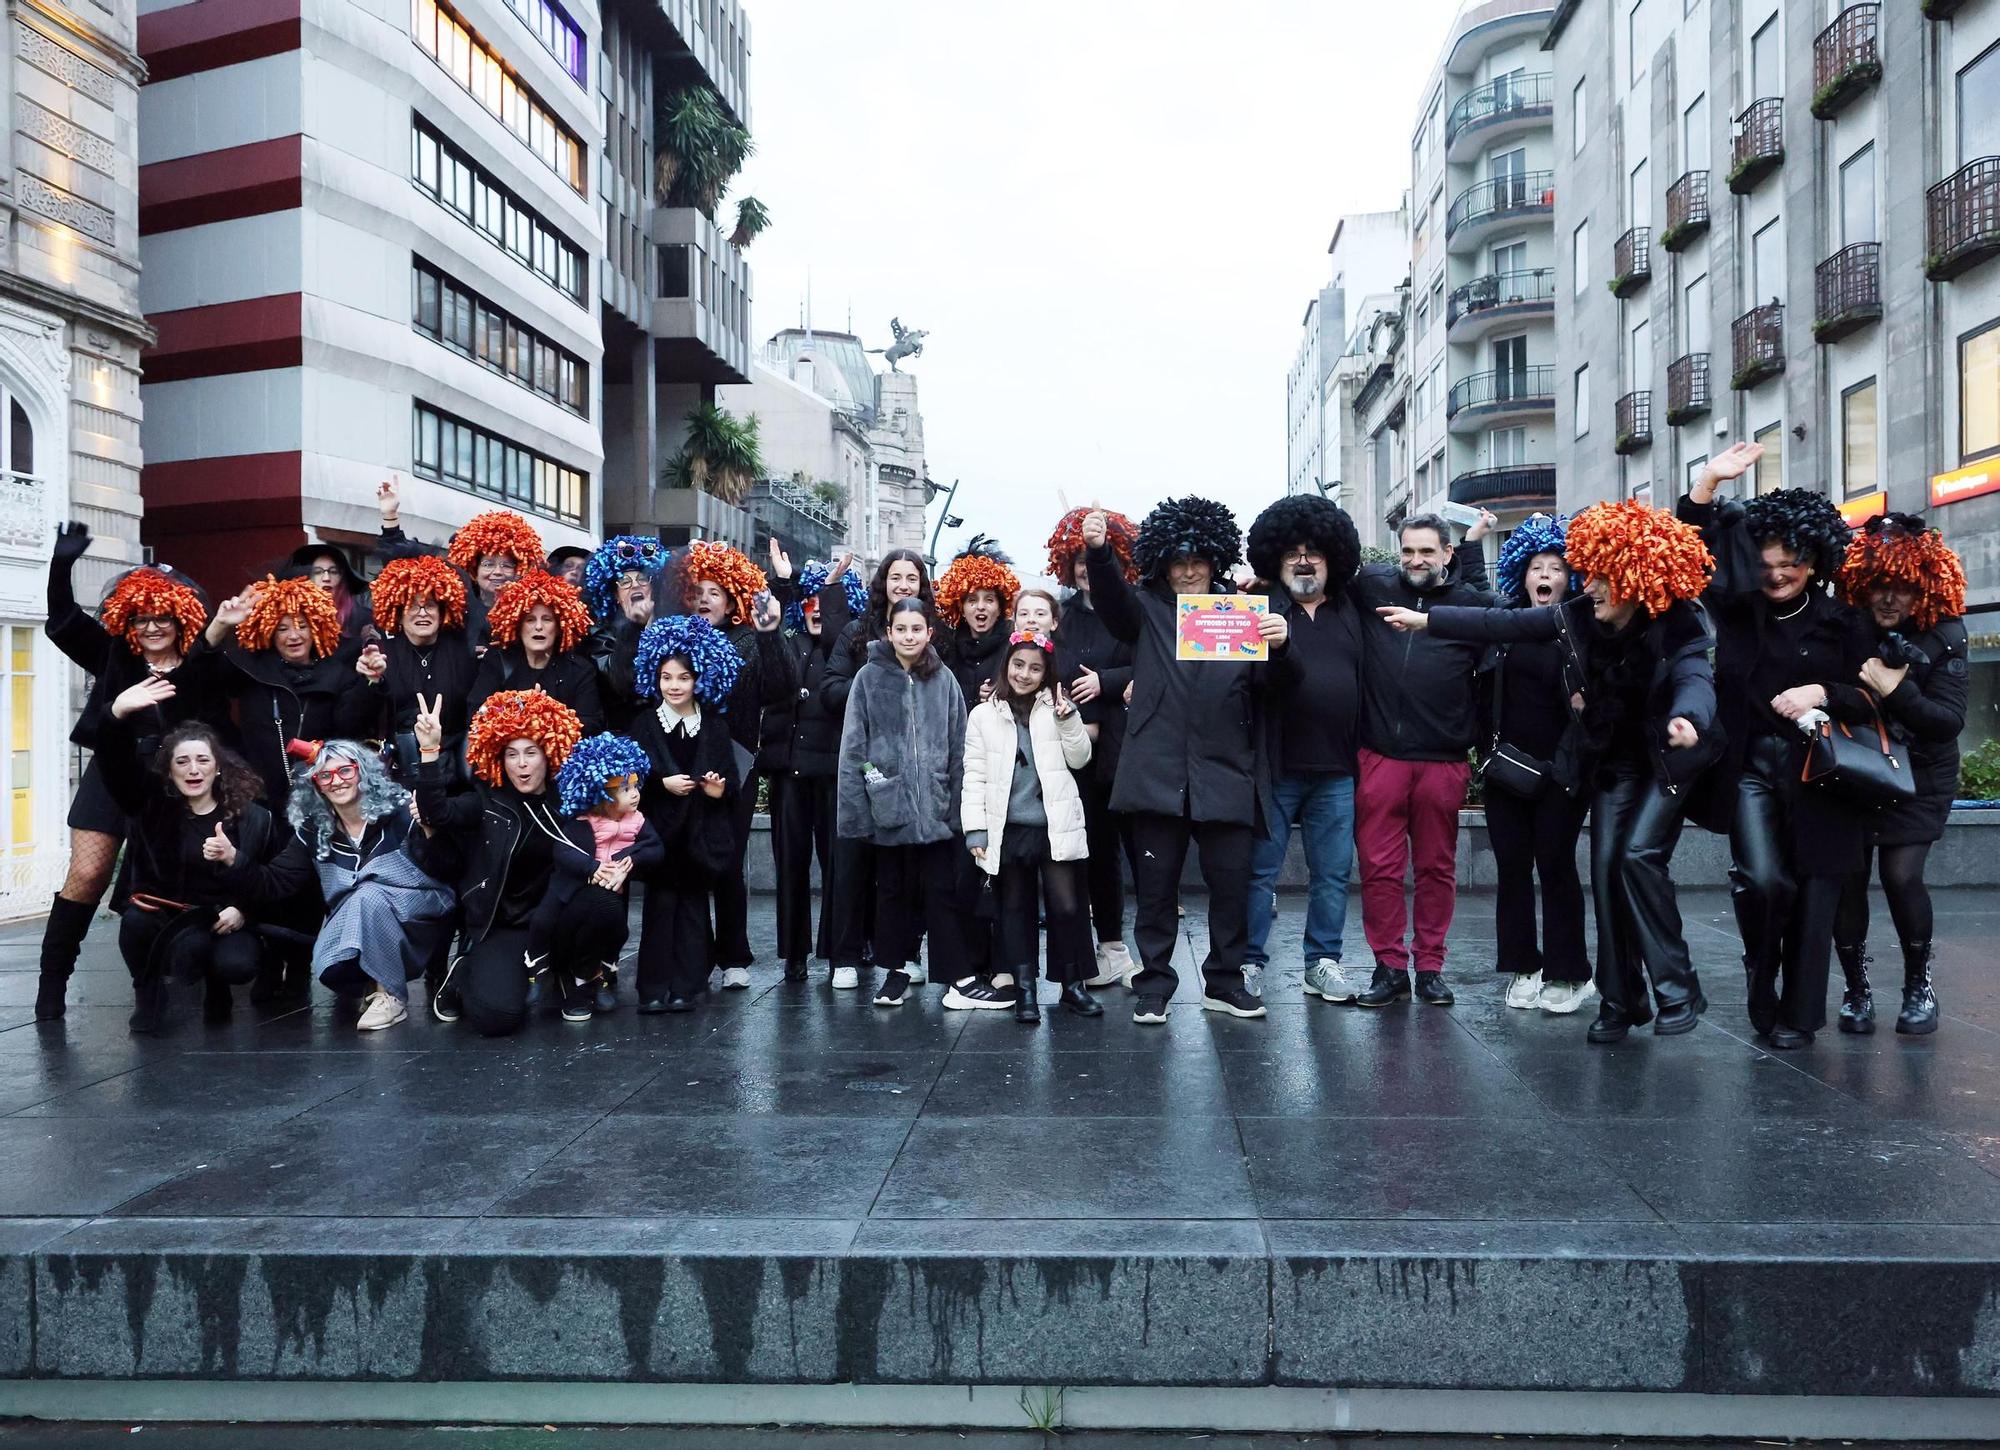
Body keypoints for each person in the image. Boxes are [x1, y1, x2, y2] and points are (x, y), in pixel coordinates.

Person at [1385, 500, 1721, 1042]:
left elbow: (1695, 678)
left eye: (1600, 580)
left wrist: (1688, 719)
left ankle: (1673, 989)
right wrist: (1428, 619)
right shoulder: (1578, 615)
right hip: (1611, 762)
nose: (1588, 587)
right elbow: (1502, 620)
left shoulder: (1677, 624)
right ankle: (1620, 999)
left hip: (1667, 758)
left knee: (1630, 862)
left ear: (1633, 582)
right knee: (1607, 869)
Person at [1679, 444, 1874, 1048]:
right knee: (1764, 882)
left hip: (1824, 772)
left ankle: (1800, 1015)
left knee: (1817, 894)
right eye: (1765, 564)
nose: (1776, 574)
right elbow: (1693, 544)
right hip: (1751, 769)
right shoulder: (1738, 611)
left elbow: (1875, 700)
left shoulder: (1846, 619)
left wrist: (1822, 690)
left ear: (1813, 561)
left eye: (1789, 562)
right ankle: (1761, 979)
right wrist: (1709, 480)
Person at [1080, 498, 1294, 1024]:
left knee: (1231, 888)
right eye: (1178, 561)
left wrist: (1283, 646)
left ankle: (1225, 981)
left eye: (1198, 560)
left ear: (1215, 561)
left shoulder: (1242, 613)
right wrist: (1100, 552)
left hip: (1226, 772)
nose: (1189, 570)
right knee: (1154, 892)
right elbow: (1110, 604)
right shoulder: (1147, 610)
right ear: (1162, 565)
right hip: (1157, 773)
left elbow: (1279, 688)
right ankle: (1155, 984)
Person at [1346, 509, 1497, 1008]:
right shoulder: (1370, 586)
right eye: (1408, 550)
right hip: (1380, 756)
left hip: (1444, 758)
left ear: (1446, 554)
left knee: (1437, 868)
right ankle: (1389, 967)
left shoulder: (1468, 605)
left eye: (1427, 551)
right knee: (1379, 868)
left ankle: (1430, 967)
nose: (1415, 560)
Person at [94, 693, 310, 1032]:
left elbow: (273, 883)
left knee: (237, 965)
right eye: (182, 762)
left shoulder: (254, 818)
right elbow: (114, 767)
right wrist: (114, 714)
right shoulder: (153, 811)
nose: (193, 769)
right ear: (169, 769)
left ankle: (218, 986)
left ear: (217, 766)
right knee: (137, 925)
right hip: (170, 916)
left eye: (202, 760)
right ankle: (148, 992)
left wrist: (243, 910)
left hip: (228, 919)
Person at [1831, 514, 1970, 1035]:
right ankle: (1856, 989)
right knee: (1846, 878)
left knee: (1900, 875)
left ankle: (1919, 985)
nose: (1890, 600)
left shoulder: (1946, 634)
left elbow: (1948, 723)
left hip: (1921, 777)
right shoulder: (1851, 626)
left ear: (1924, 588)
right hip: (1856, 768)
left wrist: (1896, 690)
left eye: (1903, 589)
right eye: (1879, 587)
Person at [1243, 495, 1365, 1003]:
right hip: (1276, 768)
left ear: (1332, 557)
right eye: (1292, 551)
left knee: (1333, 874)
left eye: (1314, 550)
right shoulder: (1261, 609)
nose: (1303, 559)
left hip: (1337, 768)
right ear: (1276, 559)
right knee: (1259, 872)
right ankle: (1248, 962)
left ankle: (1323, 962)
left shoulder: (1355, 607)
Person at [418, 687, 588, 1035]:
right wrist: (430, 751)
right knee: (499, 1019)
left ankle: (571, 973)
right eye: (511, 754)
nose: (521, 764)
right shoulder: (486, 801)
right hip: (507, 925)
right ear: (499, 757)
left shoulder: (570, 799)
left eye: (531, 752)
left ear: (550, 753)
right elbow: (437, 813)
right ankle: (463, 973)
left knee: (601, 901)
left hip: (558, 919)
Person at [1480, 514, 1594, 1014]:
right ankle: (1523, 967)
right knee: (1511, 870)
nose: (1545, 576)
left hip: (1562, 772)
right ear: (1521, 575)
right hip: (1508, 769)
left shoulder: (1581, 630)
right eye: (1536, 568)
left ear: (1570, 578)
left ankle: (1571, 974)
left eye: (1556, 568)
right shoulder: (1504, 624)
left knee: (1555, 865)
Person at [836, 598, 970, 1010]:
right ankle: (895, 971)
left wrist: (959, 808)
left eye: (917, 629)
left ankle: (953, 975)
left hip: (934, 805)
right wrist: (858, 808)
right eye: (901, 629)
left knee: (940, 890)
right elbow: (853, 747)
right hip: (888, 805)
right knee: (892, 891)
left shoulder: (944, 679)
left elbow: (958, 745)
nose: (909, 636)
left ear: (929, 633)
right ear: (888, 632)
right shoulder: (868, 678)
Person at [961, 630, 1098, 1021]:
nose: (1024, 674)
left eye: (1035, 668)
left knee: (1068, 907)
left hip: (1052, 826)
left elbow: (1080, 759)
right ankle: (1025, 991)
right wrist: (976, 831)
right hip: (1008, 829)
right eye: (1018, 665)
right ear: (1007, 665)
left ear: (1046, 673)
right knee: (1015, 908)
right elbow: (975, 776)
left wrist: (1069, 718)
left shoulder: (1055, 708)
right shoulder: (984, 715)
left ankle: (1072, 985)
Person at [816, 549, 935, 991]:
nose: (903, 584)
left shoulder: (930, 638)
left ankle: (906, 952)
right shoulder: (855, 634)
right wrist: (876, 683)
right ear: (883, 582)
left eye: (911, 577)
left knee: (905, 873)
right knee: (851, 864)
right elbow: (829, 690)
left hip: (912, 776)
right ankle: (845, 956)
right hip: (861, 766)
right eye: (895, 577)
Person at [682, 539, 795, 989]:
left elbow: (780, 685)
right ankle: (690, 952)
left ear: (731, 597)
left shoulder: (748, 639)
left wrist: (769, 634)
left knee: (728, 858)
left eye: (715, 591)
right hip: (684, 758)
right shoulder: (676, 637)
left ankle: (733, 955)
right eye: (698, 591)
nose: (706, 598)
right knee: (686, 856)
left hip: (737, 762)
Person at [284, 738, 456, 1031]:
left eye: (345, 771)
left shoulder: (400, 811)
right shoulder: (314, 830)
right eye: (325, 775)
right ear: (316, 786)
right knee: (335, 960)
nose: (336, 781)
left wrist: (429, 832)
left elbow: (446, 867)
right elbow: (279, 879)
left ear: (362, 772)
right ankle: (373, 983)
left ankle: (390, 995)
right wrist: (234, 860)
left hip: (423, 907)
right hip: (363, 916)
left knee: (368, 894)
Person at [1046, 507, 1142, 990]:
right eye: (1077, 560)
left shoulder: (1132, 610)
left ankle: (1125, 948)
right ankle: (1099, 948)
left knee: (1130, 853)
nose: (1085, 568)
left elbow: (1152, 664)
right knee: (1089, 852)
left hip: (1122, 751)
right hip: (1073, 755)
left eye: (1094, 559)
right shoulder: (1062, 620)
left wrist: (1106, 684)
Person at [627, 615, 742, 1012]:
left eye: (683, 677)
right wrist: (661, 784)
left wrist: (716, 790)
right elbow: (630, 780)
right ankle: (654, 987)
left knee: (693, 909)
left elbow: (729, 782)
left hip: (699, 835)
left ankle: (687, 985)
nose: (673, 686)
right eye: (665, 677)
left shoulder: (714, 726)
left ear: (700, 679)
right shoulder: (644, 723)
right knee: (659, 911)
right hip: (659, 834)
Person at [762, 558, 864, 981]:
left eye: (825, 601)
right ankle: (795, 954)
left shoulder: (847, 648)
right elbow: (770, 665)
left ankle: (841, 953)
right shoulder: (788, 643)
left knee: (838, 865)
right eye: (809, 601)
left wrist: (832, 587)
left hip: (835, 773)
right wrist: (784, 585)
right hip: (790, 773)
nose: (816, 609)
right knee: (790, 864)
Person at [935, 537, 1020, 987]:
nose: (981, 608)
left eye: (989, 599)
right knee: (964, 873)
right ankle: (970, 961)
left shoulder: (1013, 648)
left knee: (1003, 872)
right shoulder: (946, 648)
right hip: (960, 779)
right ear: (960, 603)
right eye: (973, 599)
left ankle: (1005, 963)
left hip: (1005, 778)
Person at [207, 573, 368, 806]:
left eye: (302, 626)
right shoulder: (249, 668)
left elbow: (351, 727)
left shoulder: (338, 675)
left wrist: (370, 682)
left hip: (321, 796)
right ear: (270, 632)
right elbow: (202, 676)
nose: (294, 636)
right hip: (258, 796)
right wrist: (220, 625)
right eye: (282, 629)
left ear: (316, 628)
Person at [539, 732, 666, 1018]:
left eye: (635, 785)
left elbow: (655, 847)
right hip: (575, 895)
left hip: (613, 895)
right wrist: (593, 868)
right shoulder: (581, 822)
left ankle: (600, 973)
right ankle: (562, 973)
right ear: (599, 793)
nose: (634, 793)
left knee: (617, 930)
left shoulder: (637, 820)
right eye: (623, 788)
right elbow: (563, 852)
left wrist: (628, 859)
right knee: (582, 922)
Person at [352, 554, 478, 784]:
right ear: (398, 613)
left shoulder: (462, 655)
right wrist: (372, 681)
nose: (422, 613)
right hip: (395, 772)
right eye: (412, 605)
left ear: (442, 613)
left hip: (452, 773)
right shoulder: (382, 653)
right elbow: (359, 718)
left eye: (430, 605)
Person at [376, 478, 543, 651]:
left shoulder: (531, 609)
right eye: (488, 564)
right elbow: (403, 567)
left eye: (506, 565)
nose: (498, 572)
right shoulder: (457, 596)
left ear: (518, 570)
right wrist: (390, 516)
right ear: (474, 569)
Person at [468, 568, 605, 732]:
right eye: (530, 620)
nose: (538, 627)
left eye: (547, 619)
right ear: (517, 625)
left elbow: (592, 723)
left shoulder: (580, 670)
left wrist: (549, 718)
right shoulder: (497, 660)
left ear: (560, 627)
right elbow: (476, 714)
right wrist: (519, 710)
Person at [580, 534, 671, 731]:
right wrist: (632, 627)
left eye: (643, 579)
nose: (635, 585)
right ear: (615, 595)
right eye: (625, 582)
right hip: (622, 734)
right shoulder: (598, 633)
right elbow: (619, 683)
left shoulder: (670, 625)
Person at [287, 543, 373, 642]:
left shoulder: (361, 617)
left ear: (342, 578)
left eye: (333, 572)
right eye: (318, 572)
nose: (326, 578)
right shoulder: (294, 612)